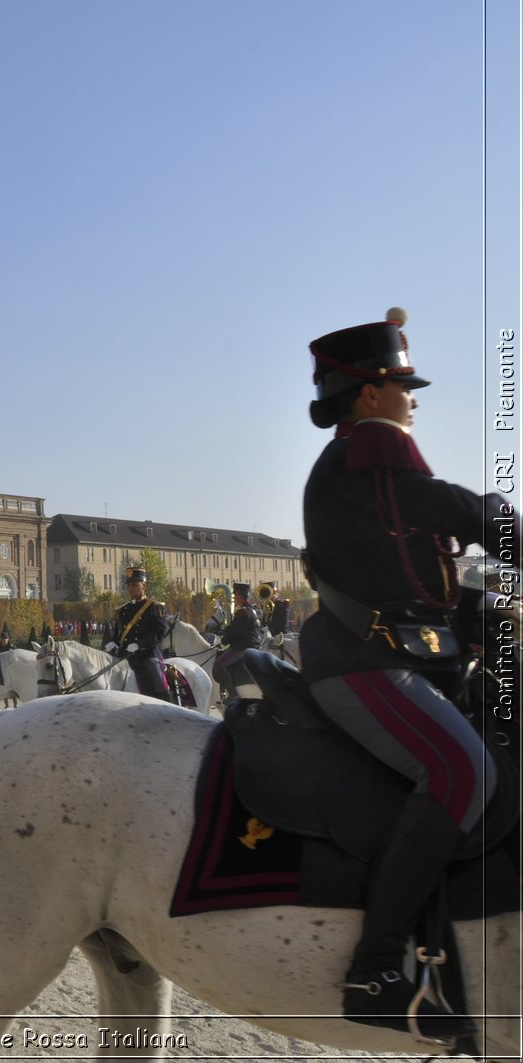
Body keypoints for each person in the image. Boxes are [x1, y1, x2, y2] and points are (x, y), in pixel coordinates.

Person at [299, 309, 508, 1039]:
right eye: (401, 384)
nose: (414, 397)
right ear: (368, 395)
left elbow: (418, 582)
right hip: (362, 663)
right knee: (463, 771)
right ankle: (377, 966)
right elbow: (463, 511)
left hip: (399, 653)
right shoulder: (370, 454)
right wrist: (502, 520)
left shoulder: (369, 469)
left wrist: (496, 611)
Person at [107, 568, 169, 700]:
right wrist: (113, 641)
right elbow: (119, 632)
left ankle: (167, 704)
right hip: (125, 655)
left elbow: (159, 633)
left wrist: (139, 645)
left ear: (144, 586)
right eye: (129, 585)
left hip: (147, 654)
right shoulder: (123, 609)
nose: (131, 588)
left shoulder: (154, 607)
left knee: (157, 678)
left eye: (135, 584)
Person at [211, 582, 264, 699]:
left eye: (235, 595)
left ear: (240, 595)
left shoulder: (243, 611)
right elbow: (241, 629)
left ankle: (233, 693)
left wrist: (224, 640)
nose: (234, 597)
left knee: (218, 664)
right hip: (253, 645)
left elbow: (236, 633)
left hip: (243, 647)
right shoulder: (253, 610)